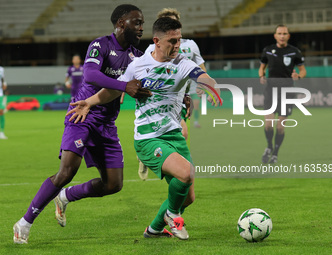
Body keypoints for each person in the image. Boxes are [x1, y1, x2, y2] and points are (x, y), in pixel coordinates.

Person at [66, 17, 221, 240]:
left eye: (179, 40)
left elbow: (202, 76)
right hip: (148, 138)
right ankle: (173, 216)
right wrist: (89, 102)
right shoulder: (138, 65)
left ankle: (154, 229)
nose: (177, 45)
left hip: (174, 135)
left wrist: (210, 86)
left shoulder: (183, 62)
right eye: (172, 41)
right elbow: (115, 90)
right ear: (157, 41)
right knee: (186, 173)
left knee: (188, 197)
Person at [13, 4, 151, 244]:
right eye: (136, 22)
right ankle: (24, 223)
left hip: (107, 123)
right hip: (82, 115)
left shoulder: (137, 56)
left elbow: (151, 81)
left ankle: (66, 196)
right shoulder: (101, 44)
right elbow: (90, 75)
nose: (141, 28)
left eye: (142, 23)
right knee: (67, 171)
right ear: (121, 23)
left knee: (113, 184)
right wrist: (124, 86)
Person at [138, 7, 207, 180]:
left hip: (182, 98)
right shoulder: (152, 48)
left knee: (180, 133)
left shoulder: (190, 46)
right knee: (182, 132)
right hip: (161, 99)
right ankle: (177, 170)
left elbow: (201, 68)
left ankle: (174, 168)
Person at [259, 24, 306, 164]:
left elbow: (303, 70)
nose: (282, 36)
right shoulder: (268, 51)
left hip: (287, 92)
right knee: (268, 125)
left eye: (284, 33)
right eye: (279, 33)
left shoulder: (294, 52)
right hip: (270, 90)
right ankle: (269, 146)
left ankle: (275, 154)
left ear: (288, 36)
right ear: (275, 35)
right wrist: (261, 76)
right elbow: (262, 67)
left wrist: (299, 76)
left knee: (280, 127)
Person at [0, 66, 8, 139]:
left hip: (0, 94)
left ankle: (1, 132)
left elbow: (3, 79)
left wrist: (4, 84)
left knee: (1, 111)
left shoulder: (1, 69)